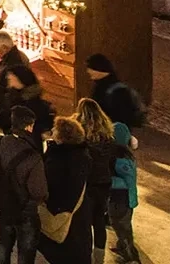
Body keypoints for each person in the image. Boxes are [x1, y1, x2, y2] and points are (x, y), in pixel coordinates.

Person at [0, 105, 49, 264]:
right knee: (26, 251)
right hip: (24, 209)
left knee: (4, 242)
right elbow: (39, 191)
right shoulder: (33, 157)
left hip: (3, 203)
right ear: (29, 126)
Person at [38, 117, 95, 262]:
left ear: (63, 136)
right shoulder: (80, 154)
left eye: (55, 129)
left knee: (64, 253)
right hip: (79, 216)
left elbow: (53, 184)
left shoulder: (62, 158)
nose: (52, 131)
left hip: (64, 215)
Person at [75, 97, 119, 258]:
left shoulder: (81, 138)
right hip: (104, 182)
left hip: (87, 184)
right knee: (99, 220)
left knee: (84, 222)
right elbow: (112, 161)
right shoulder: (109, 137)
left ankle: (85, 256)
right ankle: (99, 256)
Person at [0, 64, 54, 146]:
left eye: (11, 75)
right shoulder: (13, 95)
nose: (8, 77)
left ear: (20, 79)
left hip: (25, 147)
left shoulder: (31, 103)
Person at [86, 53, 148, 130]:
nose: (88, 71)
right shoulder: (100, 86)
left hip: (114, 132)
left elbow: (122, 118)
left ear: (99, 69)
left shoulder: (118, 91)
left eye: (90, 68)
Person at [109, 118, 141, 262]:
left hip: (122, 199)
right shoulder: (125, 155)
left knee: (122, 227)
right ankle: (122, 246)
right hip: (123, 199)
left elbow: (126, 182)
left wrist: (109, 181)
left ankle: (130, 256)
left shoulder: (121, 159)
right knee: (120, 225)